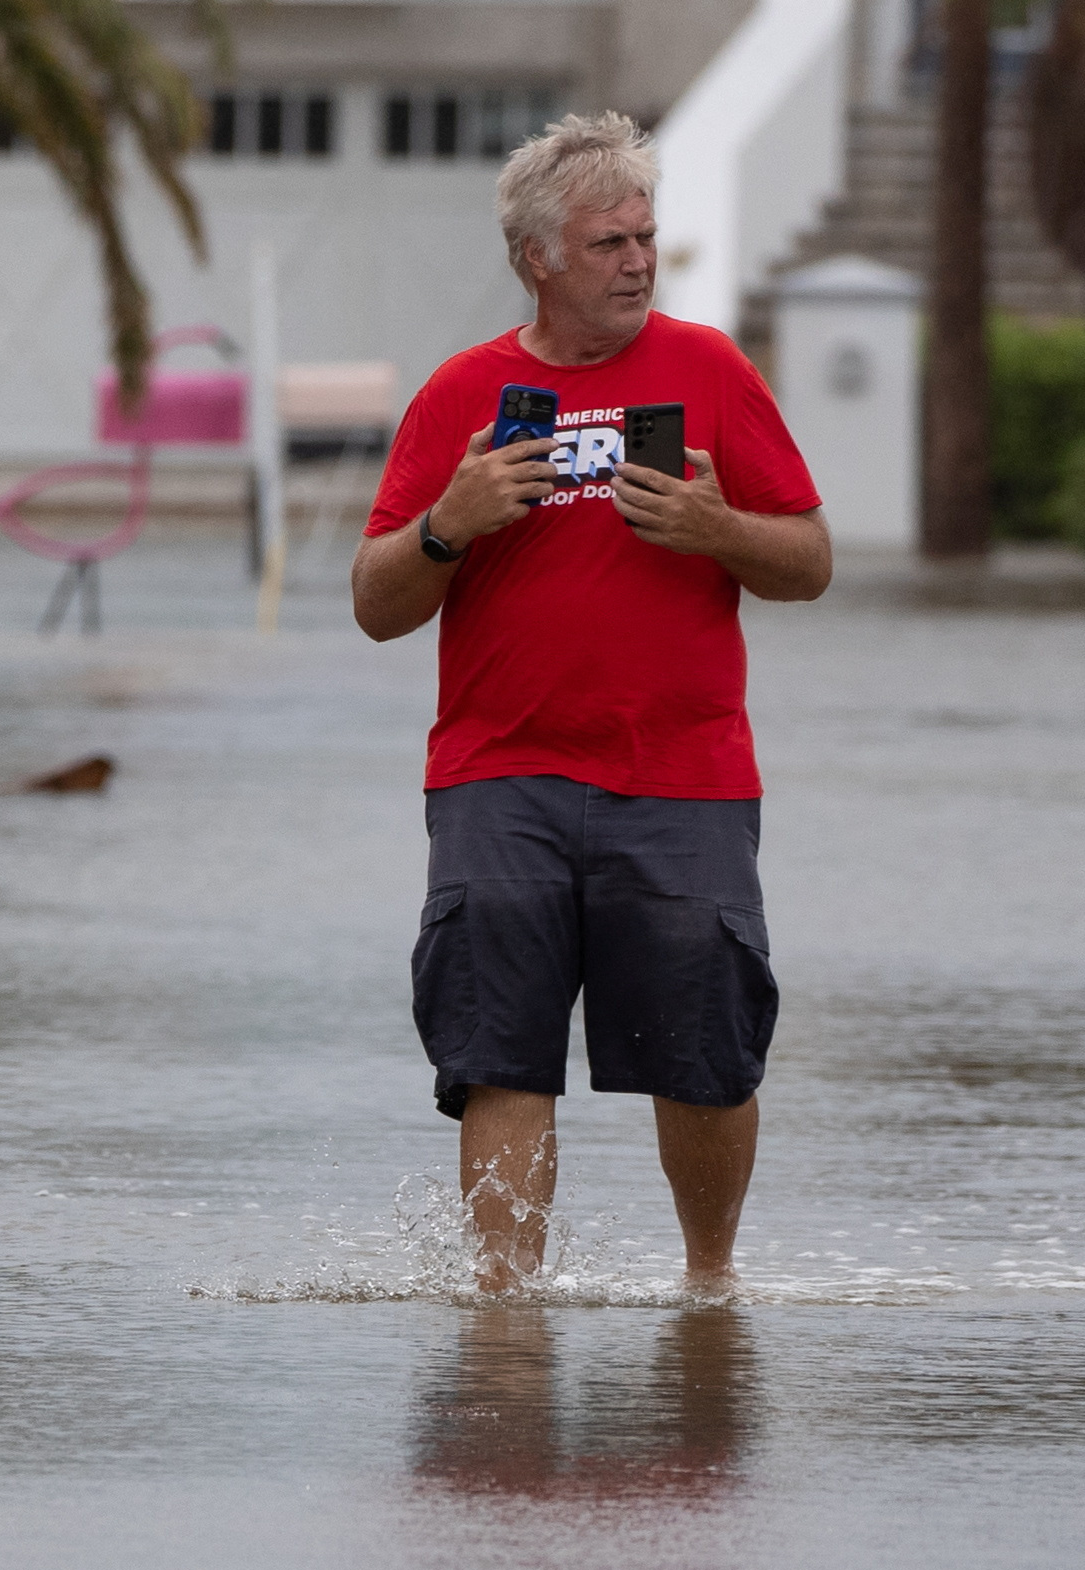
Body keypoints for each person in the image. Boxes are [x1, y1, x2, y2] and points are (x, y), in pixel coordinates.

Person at [354, 110, 831, 1294]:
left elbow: (812, 561)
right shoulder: (463, 393)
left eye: (645, 237)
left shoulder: (710, 368)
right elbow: (374, 602)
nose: (636, 261)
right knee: (498, 1054)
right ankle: (506, 1311)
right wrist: (447, 525)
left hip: (684, 776)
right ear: (540, 259)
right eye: (609, 242)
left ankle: (709, 1289)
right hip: (497, 776)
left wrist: (715, 529)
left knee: (706, 1052)